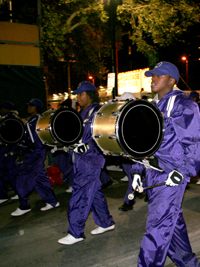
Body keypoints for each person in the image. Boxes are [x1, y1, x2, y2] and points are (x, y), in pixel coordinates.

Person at [130, 61, 200, 266]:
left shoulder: (184, 105)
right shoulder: (153, 106)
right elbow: (143, 143)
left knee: (157, 230)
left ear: (172, 81)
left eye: (159, 75)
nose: (153, 78)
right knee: (172, 227)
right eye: (152, 75)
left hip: (170, 175)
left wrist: (182, 171)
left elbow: (196, 142)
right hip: (153, 173)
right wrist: (138, 170)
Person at [58, 81, 115, 245]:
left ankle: (75, 232)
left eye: (81, 94)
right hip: (80, 159)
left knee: (81, 193)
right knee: (94, 191)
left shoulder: (98, 112)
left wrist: (88, 148)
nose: (78, 97)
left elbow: (103, 134)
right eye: (77, 94)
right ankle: (106, 222)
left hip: (91, 159)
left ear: (90, 95)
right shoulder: (82, 112)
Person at [11, 98, 60, 216]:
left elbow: (37, 139)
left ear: (37, 107)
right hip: (32, 153)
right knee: (39, 178)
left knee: (22, 179)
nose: (29, 107)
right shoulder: (31, 120)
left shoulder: (38, 120)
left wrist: (29, 146)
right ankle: (52, 201)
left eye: (31, 106)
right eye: (28, 105)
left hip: (35, 153)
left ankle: (24, 205)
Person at [0, 101, 19, 205]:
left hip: (7, 146)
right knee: (11, 170)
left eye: (3, 109)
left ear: (7, 109)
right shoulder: (12, 118)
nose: (1, 110)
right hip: (10, 147)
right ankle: (17, 191)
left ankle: (3, 195)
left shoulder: (9, 119)